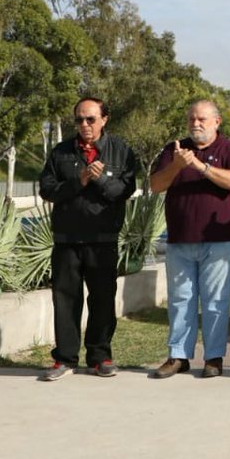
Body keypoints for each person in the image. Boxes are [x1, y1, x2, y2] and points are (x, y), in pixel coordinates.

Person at [36, 97, 139, 381]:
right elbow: (47, 189)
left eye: (90, 119)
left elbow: (124, 190)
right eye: (79, 120)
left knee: (103, 301)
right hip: (67, 240)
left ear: (104, 119)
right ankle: (65, 359)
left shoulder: (121, 151)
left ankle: (99, 357)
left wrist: (100, 180)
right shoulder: (61, 152)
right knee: (66, 300)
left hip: (103, 240)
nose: (84, 125)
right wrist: (78, 181)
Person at [148, 100, 230, 379]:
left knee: (216, 301)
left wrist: (201, 167)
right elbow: (156, 185)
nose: (196, 124)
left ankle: (214, 358)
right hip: (180, 239)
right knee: (181, 299)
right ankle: (178, 356)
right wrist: (178, 165)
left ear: (217, 122)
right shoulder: (175, 149)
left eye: (202, 119)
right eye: (192, 119)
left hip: (218, 240)